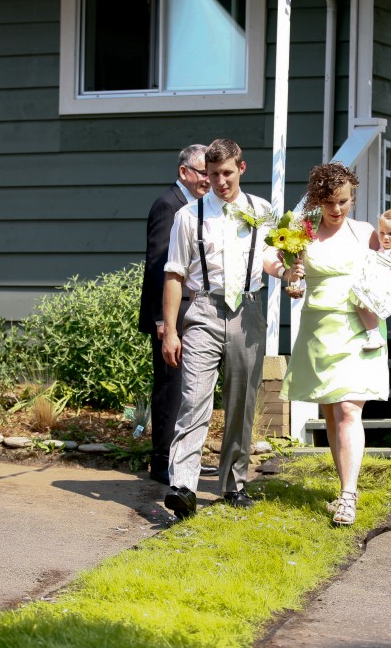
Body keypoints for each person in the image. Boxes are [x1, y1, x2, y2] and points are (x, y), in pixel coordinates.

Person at [160, 138, 284, 518]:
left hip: (248, 311)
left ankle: (234, 484)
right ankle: (183, 485)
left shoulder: (262, 211)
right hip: (203, 310)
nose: (220, 181)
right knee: (194, 398)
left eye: (227, 173)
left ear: (241, 169)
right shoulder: (189, 215)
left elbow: (269, 258)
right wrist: (170, 329)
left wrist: (287, 270)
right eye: (213, 174)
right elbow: (174, 274)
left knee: (240, 402)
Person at [280, 162, 389, 526]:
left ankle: (348, 495)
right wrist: (291, 280)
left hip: (360, 328)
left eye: (343, 201)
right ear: (317, 201)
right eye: (329, 202)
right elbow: (283, 267)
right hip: (318, 329)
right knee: (330, 412)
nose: (337, 209)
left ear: (352, 196)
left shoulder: (366, 233)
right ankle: (344, 484)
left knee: (348, 410)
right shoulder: (302, 233)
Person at [137, 144, 217, 485]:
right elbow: (158, 266)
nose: (208, 181)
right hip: (171, 313)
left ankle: (182, 459)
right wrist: (161, 321)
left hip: (192, 311)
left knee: (189, 388)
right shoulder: (169, 205)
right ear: (184, 172)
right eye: (203, 173)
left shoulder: (200, 206)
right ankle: (162, 462)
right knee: (170, 387)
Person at [350, 208, 391, 351]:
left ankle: (374, 334)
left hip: (387, 286)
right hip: (375, 282)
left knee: (363, 300)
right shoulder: (380, 249)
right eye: (382, 233)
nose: (385, 237)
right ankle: (374, 335)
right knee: (360, 302)